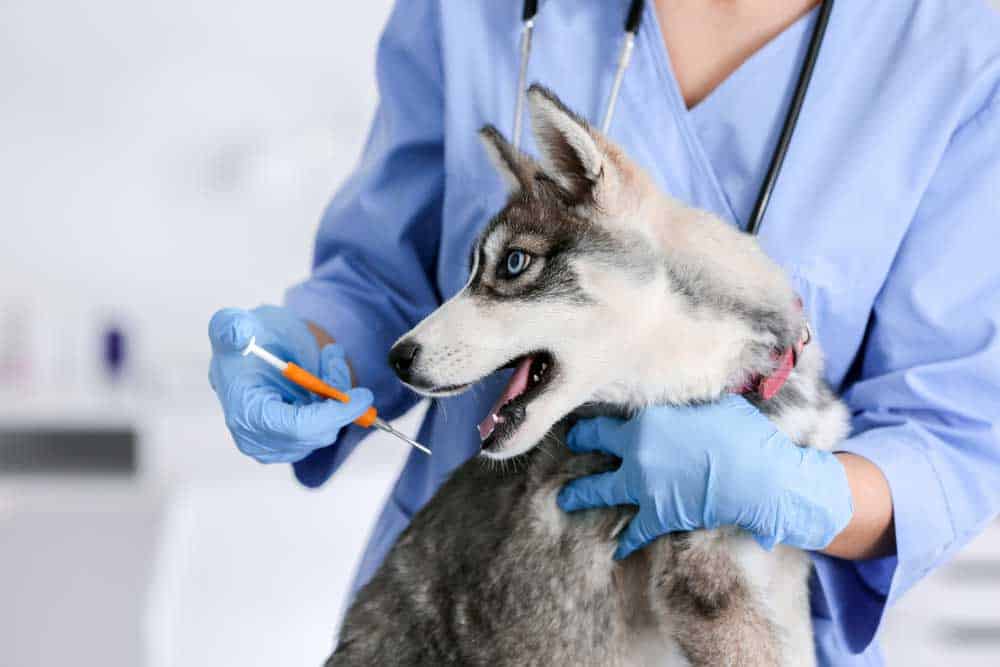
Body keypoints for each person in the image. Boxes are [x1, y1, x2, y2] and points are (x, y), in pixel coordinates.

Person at [207, 1, 1000, 663]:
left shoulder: (953, 44)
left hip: (745, 618)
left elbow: (951, 429)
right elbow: (383, 277)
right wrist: (300, 355)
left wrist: (805, 492)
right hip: (462, 613)